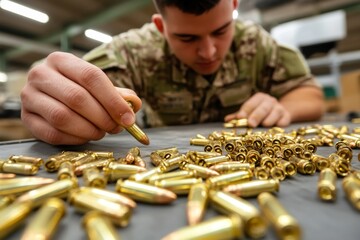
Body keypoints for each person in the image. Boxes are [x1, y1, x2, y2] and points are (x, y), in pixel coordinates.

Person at [20, 0, 325, 145]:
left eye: (221, 31)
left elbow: (310, 94)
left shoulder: (256, 42)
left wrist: (283, 106)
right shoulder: (129, 53)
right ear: (161, 27)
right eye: (187, 38)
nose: (209, 52)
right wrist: (53, 98)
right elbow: (69, 88)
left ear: (234, 6)